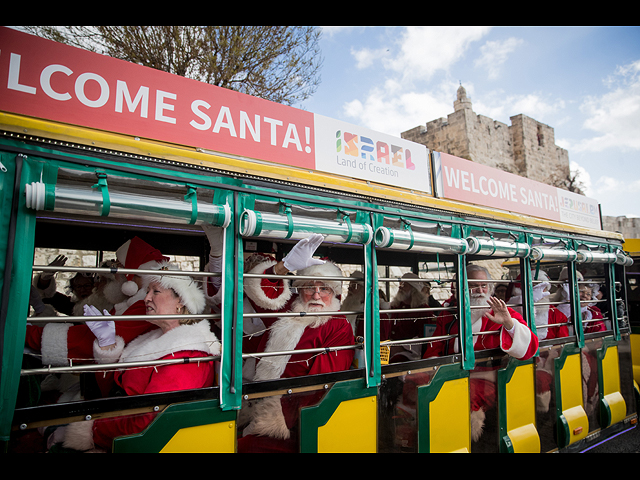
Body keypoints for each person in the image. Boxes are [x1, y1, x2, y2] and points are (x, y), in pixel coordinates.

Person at [54, 261, 220, 452]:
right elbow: (116, 385)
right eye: (147, 291)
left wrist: (92, 430)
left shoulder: (187, 356)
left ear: (180, 301)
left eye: (155, 292)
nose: (146, 298)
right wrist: (108, 345)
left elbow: (149, 423)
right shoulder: (154, 338)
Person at [237, 233, 355, 453]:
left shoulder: (338, 326)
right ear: (299, 290)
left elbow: (320, 386)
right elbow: (258, 291)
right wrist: (284, 267)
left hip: (290, 423)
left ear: (335, 293)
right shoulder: (289, 308)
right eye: (309, 287)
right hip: (255, 404)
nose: (316, 295)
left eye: (325, 288)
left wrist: (279, 416)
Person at [422, 264, 539, 443]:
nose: (479, 290)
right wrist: (432, 371)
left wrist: (508, 323)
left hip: (489, 379)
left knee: (464, 397)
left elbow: (531, 347)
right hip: (450, 374)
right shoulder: (449, 313)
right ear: (462, 288)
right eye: (473, 285)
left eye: (483, 285)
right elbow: (435, 346)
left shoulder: (502, 311)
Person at [24, 237, 168, 372]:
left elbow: (89, 340)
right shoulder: (128, 303)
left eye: (117, 266)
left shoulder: (144, 305)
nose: (115, 273)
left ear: (130, 273)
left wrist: (31, 335)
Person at [388, 272, 438, 362]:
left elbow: (424, 337)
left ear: (413, 289)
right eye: (400, 284)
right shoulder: (396, 306)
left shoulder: (423, 310)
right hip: (390, 348)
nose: (400, 287)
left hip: (411, 353)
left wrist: (403, 347)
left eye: (404, 285)